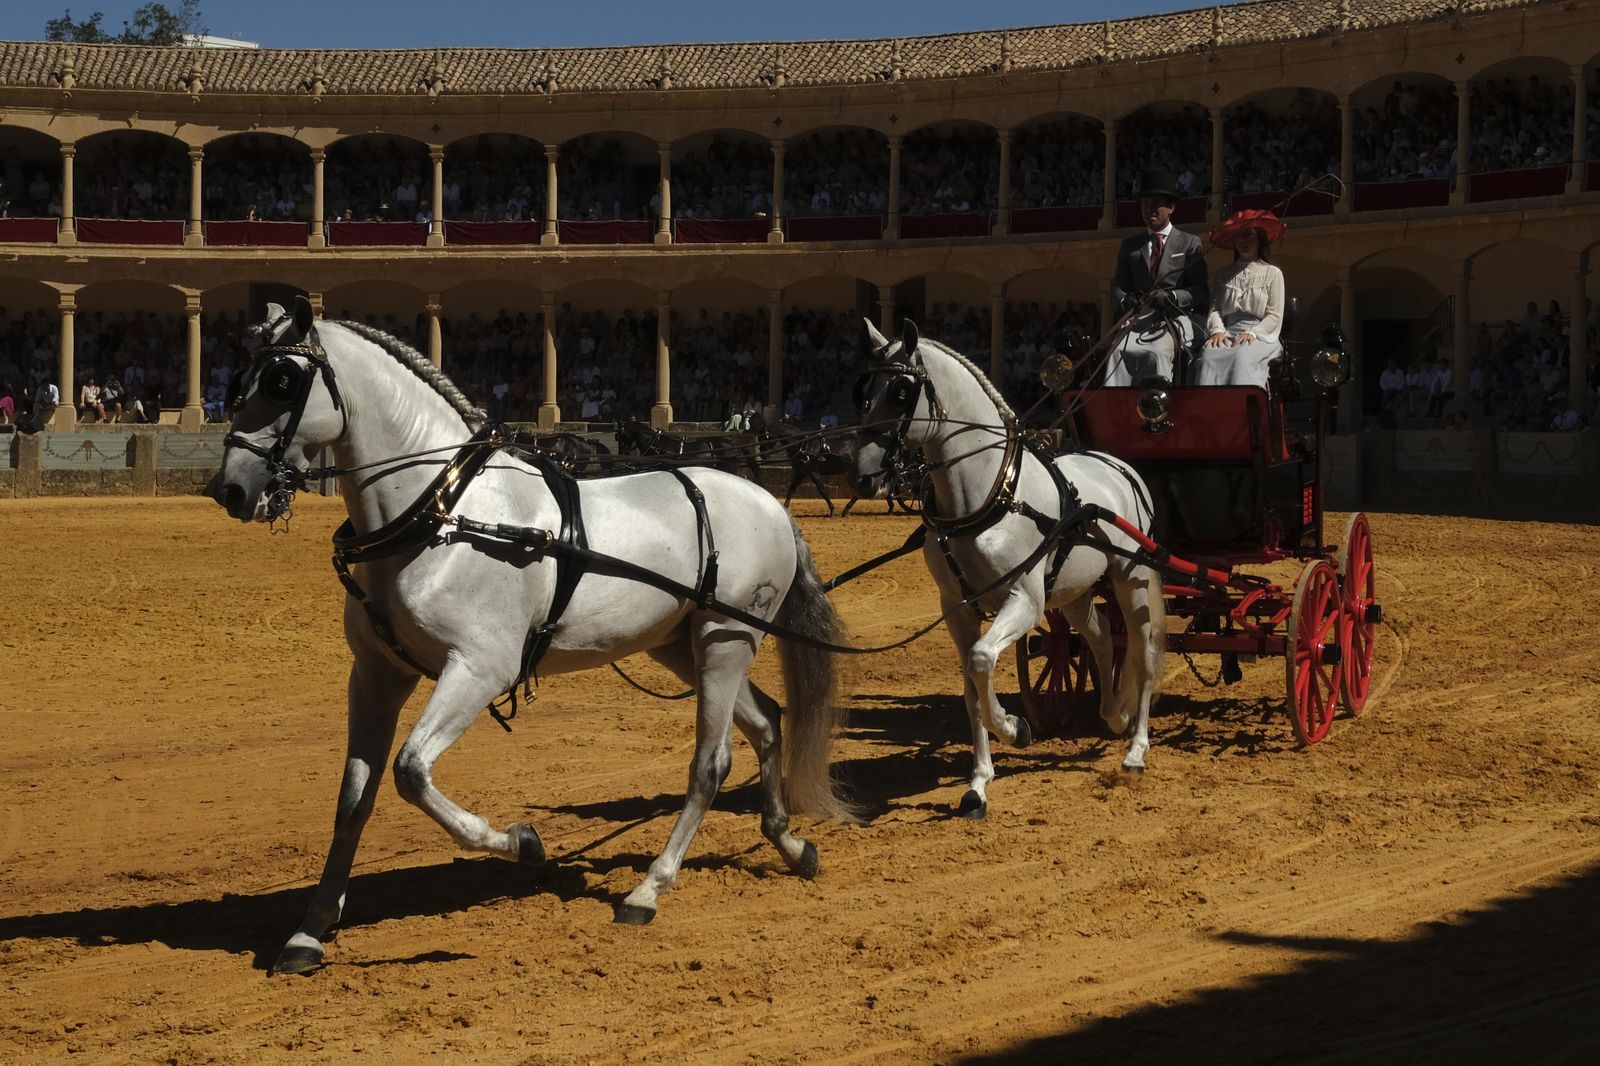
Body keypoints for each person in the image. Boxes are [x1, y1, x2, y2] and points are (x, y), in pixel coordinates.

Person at [1107, 169, 1209, 386]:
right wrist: (1125, 300)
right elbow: (1117, 286)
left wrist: (1172, 297)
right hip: (1140, 319)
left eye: (1155, 203)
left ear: (1171, 207)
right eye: (1144, 203)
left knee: (1155, 353)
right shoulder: (1130, 246)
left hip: (1176, 318)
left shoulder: (1190, 243)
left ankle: (1158, 406)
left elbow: (1200, 291)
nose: (1149, 209)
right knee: (1115, 353)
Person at [1192, 209, 1286, 388]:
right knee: (1207, 356)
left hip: (1261, 335)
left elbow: (1274, 315)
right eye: (1239, 236)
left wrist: (1253, 333)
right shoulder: (1223, 274)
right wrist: (1217, 331)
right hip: (1228, 332)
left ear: (1259, 239)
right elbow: (1215, 309)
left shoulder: (1273, 273)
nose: (1243, 241)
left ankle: (1241, 409)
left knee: (1241, 356)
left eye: (1248, 235)